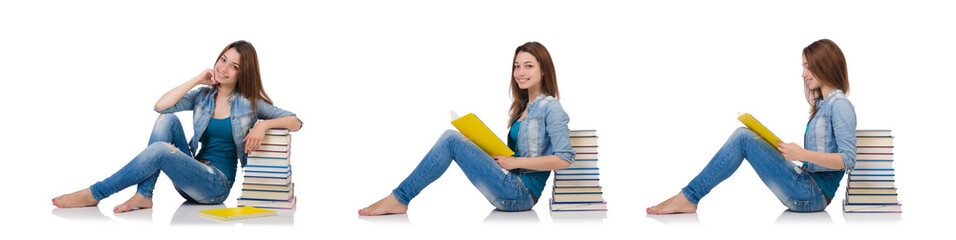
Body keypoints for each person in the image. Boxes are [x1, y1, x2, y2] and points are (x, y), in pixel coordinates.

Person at [52, 40, 303, 213]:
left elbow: (296, 121)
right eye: (223, 59)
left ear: (242, 73)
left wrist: (263, 125)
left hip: (216, 186)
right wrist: (196, 79)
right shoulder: (203, 96)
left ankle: (95, 193)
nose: (223, 68)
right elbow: (161, 107)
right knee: (167, 121)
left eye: (233, 66)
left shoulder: (249, 103)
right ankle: (144, 195)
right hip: (192, 170)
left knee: (161, 150)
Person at [359, 42, 575, 215]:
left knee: (450, 139)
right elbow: (513, 156)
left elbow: (564, 159)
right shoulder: (523, 108)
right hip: (510, 182)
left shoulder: (551, 107)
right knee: (459, 139)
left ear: (544, 70)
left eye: (529, 66)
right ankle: (399, 199)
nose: (520, 72)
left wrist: (515, 162)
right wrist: (481, 145)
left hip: (520, 194)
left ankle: (399, 199)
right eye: (517, 66)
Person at [647, 39, 856, 214]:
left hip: (812, 194)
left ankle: (688, 197)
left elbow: (847, 160)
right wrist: (790, 152)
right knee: (747, 135)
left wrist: (802, 154)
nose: (803, 73)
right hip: (807, 185)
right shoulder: (824, 106)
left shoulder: (840, 105)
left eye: (808, 66)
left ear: (824, 65)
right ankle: (687, 197)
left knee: (743, 137)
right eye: (803, 67)